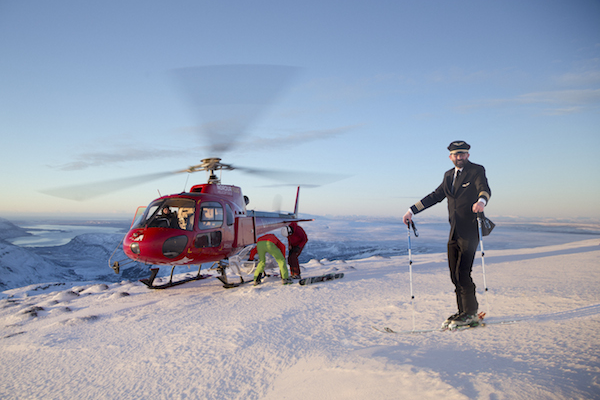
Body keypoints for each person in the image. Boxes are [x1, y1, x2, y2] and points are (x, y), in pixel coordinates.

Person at [403, 140, 491, 328]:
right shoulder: (448, 176)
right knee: (454, 274)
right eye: (456, 154)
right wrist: (411, 210)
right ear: (450, 157)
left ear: (468, 155)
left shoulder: (476, 170)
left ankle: (470, 312)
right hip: (454, 232)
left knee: (463, 273)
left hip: (470, 231)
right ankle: (462, 311)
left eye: (463, 154)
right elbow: (435, 196)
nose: (459, 157)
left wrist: (482, 201)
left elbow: (484, 188)